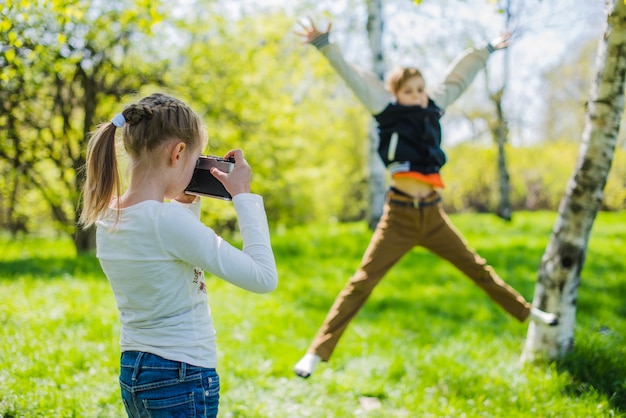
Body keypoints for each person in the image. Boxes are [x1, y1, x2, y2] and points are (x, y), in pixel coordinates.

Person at [293, 19, 558, 379]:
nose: (417, 96)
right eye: (409, 91)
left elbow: (459, 78)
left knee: (477, 268)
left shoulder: (434, 107)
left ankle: (528, 314)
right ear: (396, 94)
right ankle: (316, 351)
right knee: (362, 282)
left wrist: (488, 50)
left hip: (432, 216)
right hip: (399, 217)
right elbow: (354, 78)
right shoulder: (386, 112)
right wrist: (324, 44)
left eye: (420, 89)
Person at [80, 93, 278, 416]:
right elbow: (263, 277)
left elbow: (168, 258)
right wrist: (244, 196)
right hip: (181, 376)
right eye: (195, 160)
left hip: (135, 371)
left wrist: (186, 202)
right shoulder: (165, 222)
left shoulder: (108, 216)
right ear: (178, 152)